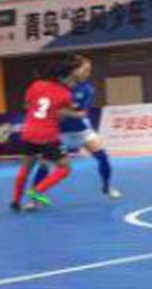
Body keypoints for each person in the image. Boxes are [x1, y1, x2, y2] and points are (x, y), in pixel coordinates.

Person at [33, 54, 121, 199]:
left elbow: (82, 113)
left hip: (82, 131)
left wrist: (63, 112)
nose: (88, 74)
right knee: (44, 164)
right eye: (85, 70)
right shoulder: (55, 86)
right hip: (59, 134)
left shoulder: (87, 89)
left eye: (89, 71)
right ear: (73, 70)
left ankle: (107, 187)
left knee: (103, 158)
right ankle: (34, 197)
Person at [10, 57, 80, 211]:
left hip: (29, 131)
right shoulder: (65, 94)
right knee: (65, 168)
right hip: (47, 135)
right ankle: (36, 191)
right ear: (62, 77)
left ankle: (15, 201)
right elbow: (61, 116)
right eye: (71, 77)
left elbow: (27, 105)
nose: (73, 80)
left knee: (26, 168)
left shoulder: (36, 85)